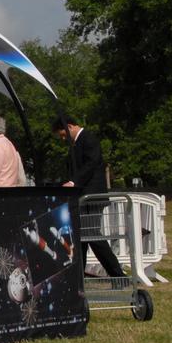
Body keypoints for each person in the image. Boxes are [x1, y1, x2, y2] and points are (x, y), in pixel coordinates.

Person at [53, 114, 125, 277]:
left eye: (63, 135)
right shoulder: (77, 143)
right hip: (82, 198)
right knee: (81, 237)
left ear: (70, 126)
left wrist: (74, 182)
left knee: (92, 235)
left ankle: (118, 275)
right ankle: (79, 277)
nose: (63, 139)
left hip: (92, 197)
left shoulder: (89, 139)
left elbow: (91, 164)